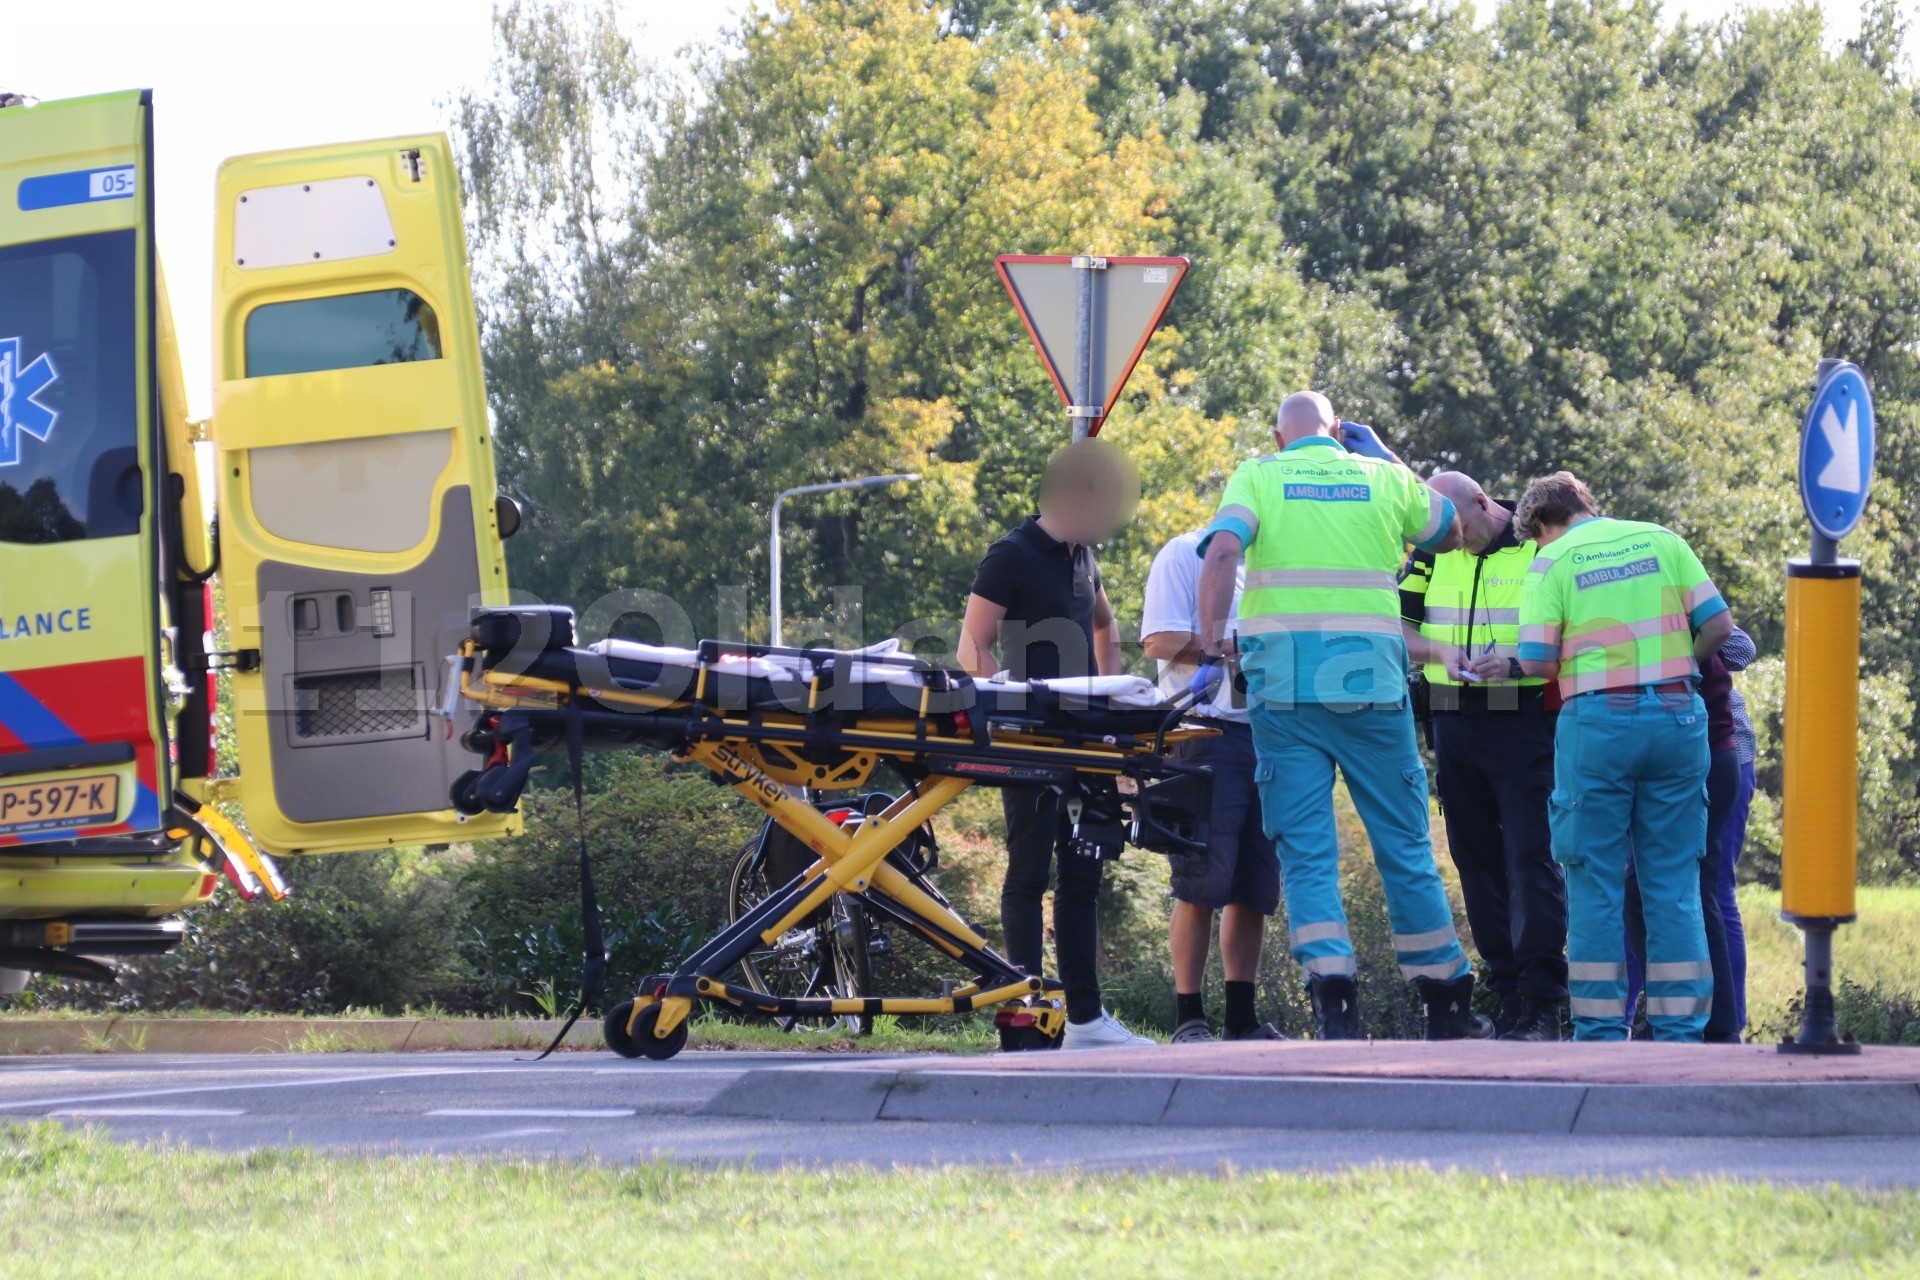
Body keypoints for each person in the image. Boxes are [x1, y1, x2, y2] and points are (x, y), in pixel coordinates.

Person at [1196, 391, 1478, 1041]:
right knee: (1404, 846)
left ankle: (1333, 996)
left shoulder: (1260, 475)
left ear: (1278, 436)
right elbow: (1450, 531)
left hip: (1285, 688)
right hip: (1371, 687)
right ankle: (1444, 1001)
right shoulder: (1383, 476)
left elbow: (1220, 555)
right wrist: (1385, 456)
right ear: (1339, 431)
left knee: (1306, 851)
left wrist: (1214, 641)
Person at [1515, 472, 1733, 1043]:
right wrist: (1679, 664)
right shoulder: (1662, 539)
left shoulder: (1552, 559)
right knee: (1674, 884)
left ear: (1542, 524)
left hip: (1598, 727)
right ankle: (1681, 1033)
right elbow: (1719, 626)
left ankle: (1601, 1034)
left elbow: (1536, 662)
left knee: (1594, 884)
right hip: (1678, 717)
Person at [957, 439, 1152, 1050]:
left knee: (1084, 870)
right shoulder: (1010, 555)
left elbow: (1105, 624)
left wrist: (1108, 696)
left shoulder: (1084, 556)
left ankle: (1088, 1020)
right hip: (1027, 735)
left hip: (1082, 737)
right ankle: (1027, 1010)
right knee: (1029, 869)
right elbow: (970, 650)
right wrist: (1009, 703)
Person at [1400, 471, 1568, 1041]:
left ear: (1481, 502)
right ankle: (1507, 994)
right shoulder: (1430, 550)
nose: (1448, 539)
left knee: (1530, 860)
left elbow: (1573, 625)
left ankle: (1543, 1003)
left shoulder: (1538, 544)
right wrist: (1435, 649)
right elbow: (1396, 625)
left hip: (1523, 721)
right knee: (1475, 864)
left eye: (1456, 527)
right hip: (1451, 719)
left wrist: (1517, 660)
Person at [1142, 529, 1284, 1043]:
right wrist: (1233, 646)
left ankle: (1241, 1021)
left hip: (1271, 735)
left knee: (1256, 888)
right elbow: (1157, 641)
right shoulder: (1183, 552)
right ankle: (1189, 1019)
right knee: (1201, 882)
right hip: (1204, 732)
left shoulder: (1276, 560)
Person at [1624, 625, 1756, 1041]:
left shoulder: (1674, 578)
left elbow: (1739, 644)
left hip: (1713, 750)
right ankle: (1671, 1017)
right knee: (1645, 889)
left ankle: (1720, 1024)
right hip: (1666, 753)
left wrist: (1680, 659)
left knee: (1706, 889)